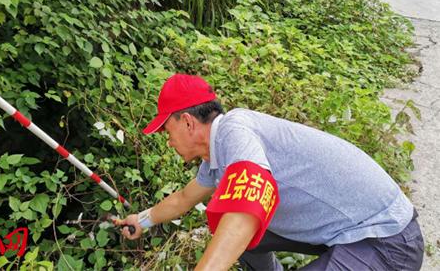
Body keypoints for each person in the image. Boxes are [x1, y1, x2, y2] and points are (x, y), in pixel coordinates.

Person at [115, 73, 424, 270]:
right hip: (347, 230)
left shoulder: (235, 132)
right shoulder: (216, 157)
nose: (167, 141)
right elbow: (184, 198)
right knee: (227, 224)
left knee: (235, 221)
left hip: (386, 241)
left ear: (187, 121)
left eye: (166, 130)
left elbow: (247, 208)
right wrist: (142, 220)